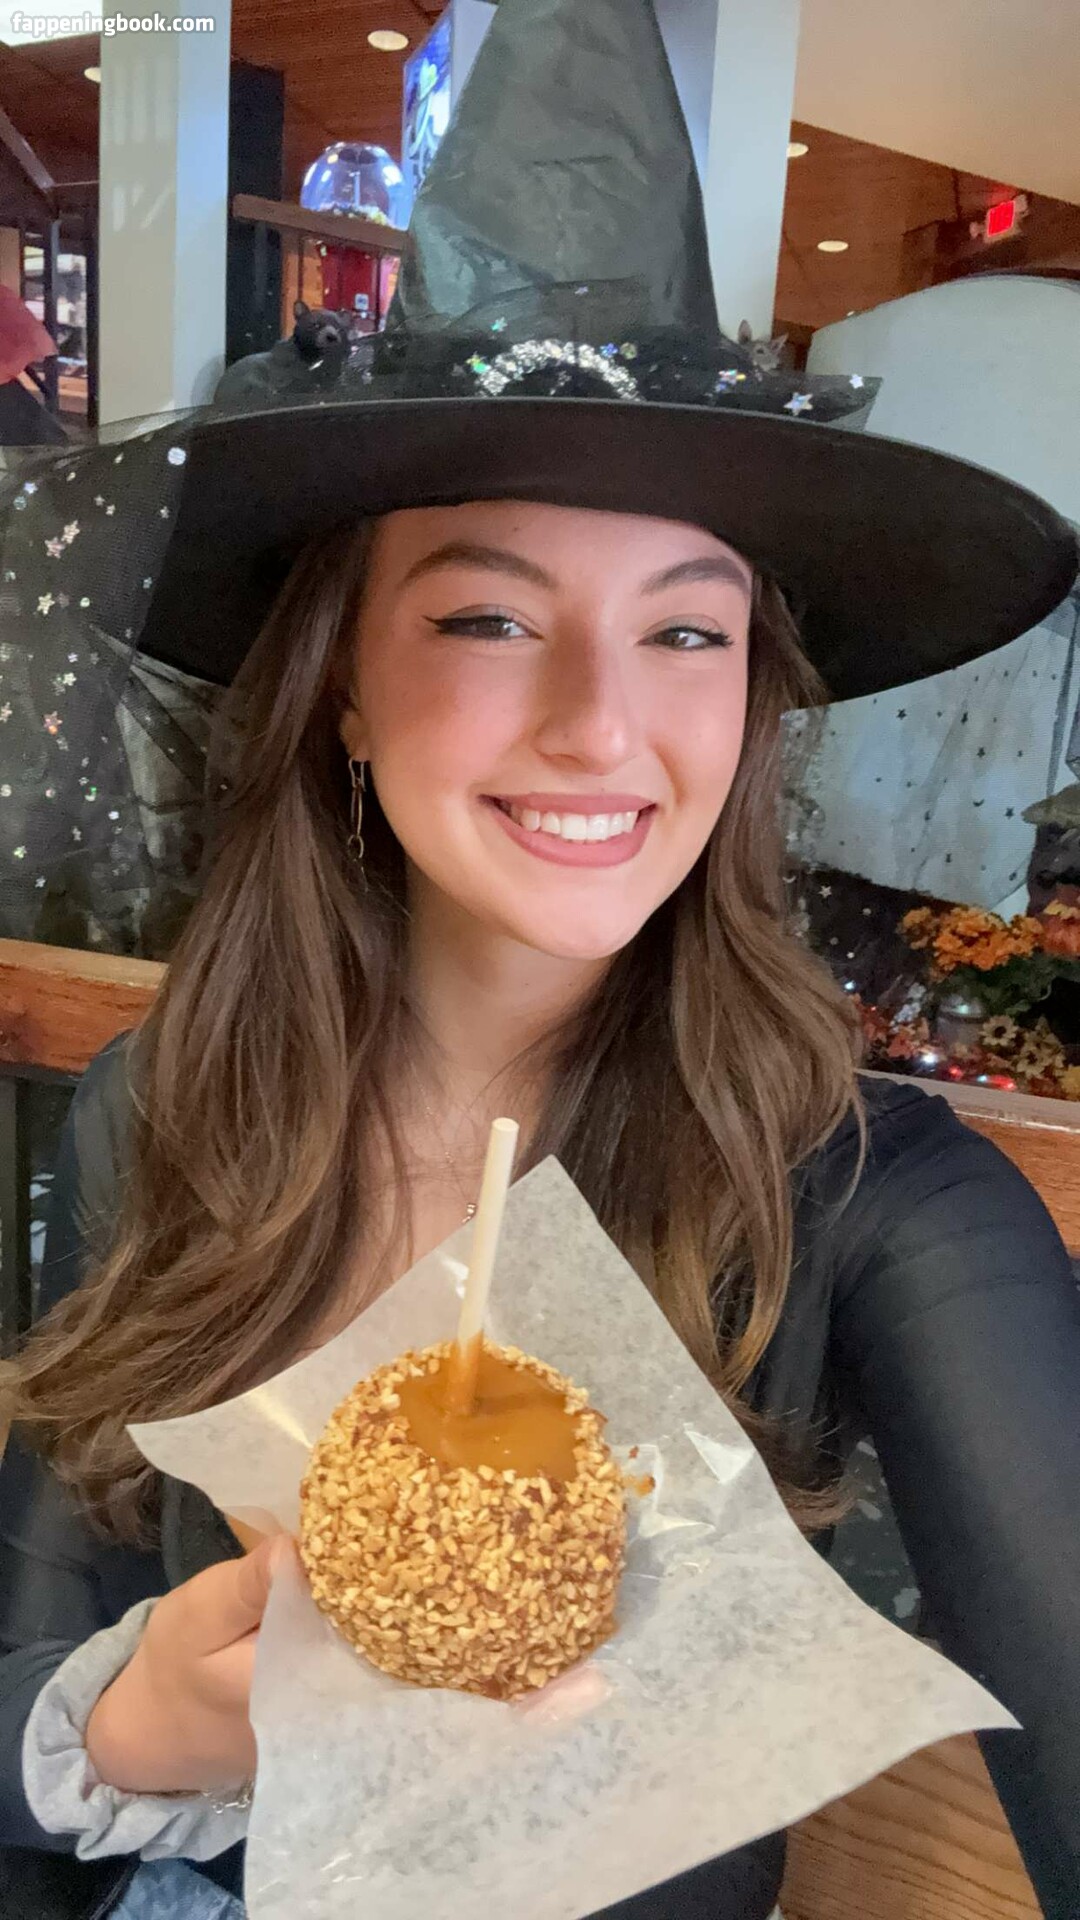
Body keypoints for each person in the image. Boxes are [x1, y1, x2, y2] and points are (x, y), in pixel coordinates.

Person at [1, 1, 1079, 1917]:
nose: (600, 724)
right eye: (490, 618)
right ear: (341, 687)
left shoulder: (870, 1209)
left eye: (687, 631)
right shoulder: (161, 1112)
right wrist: (145, 1724)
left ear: (754, 699)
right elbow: (30, 1656)